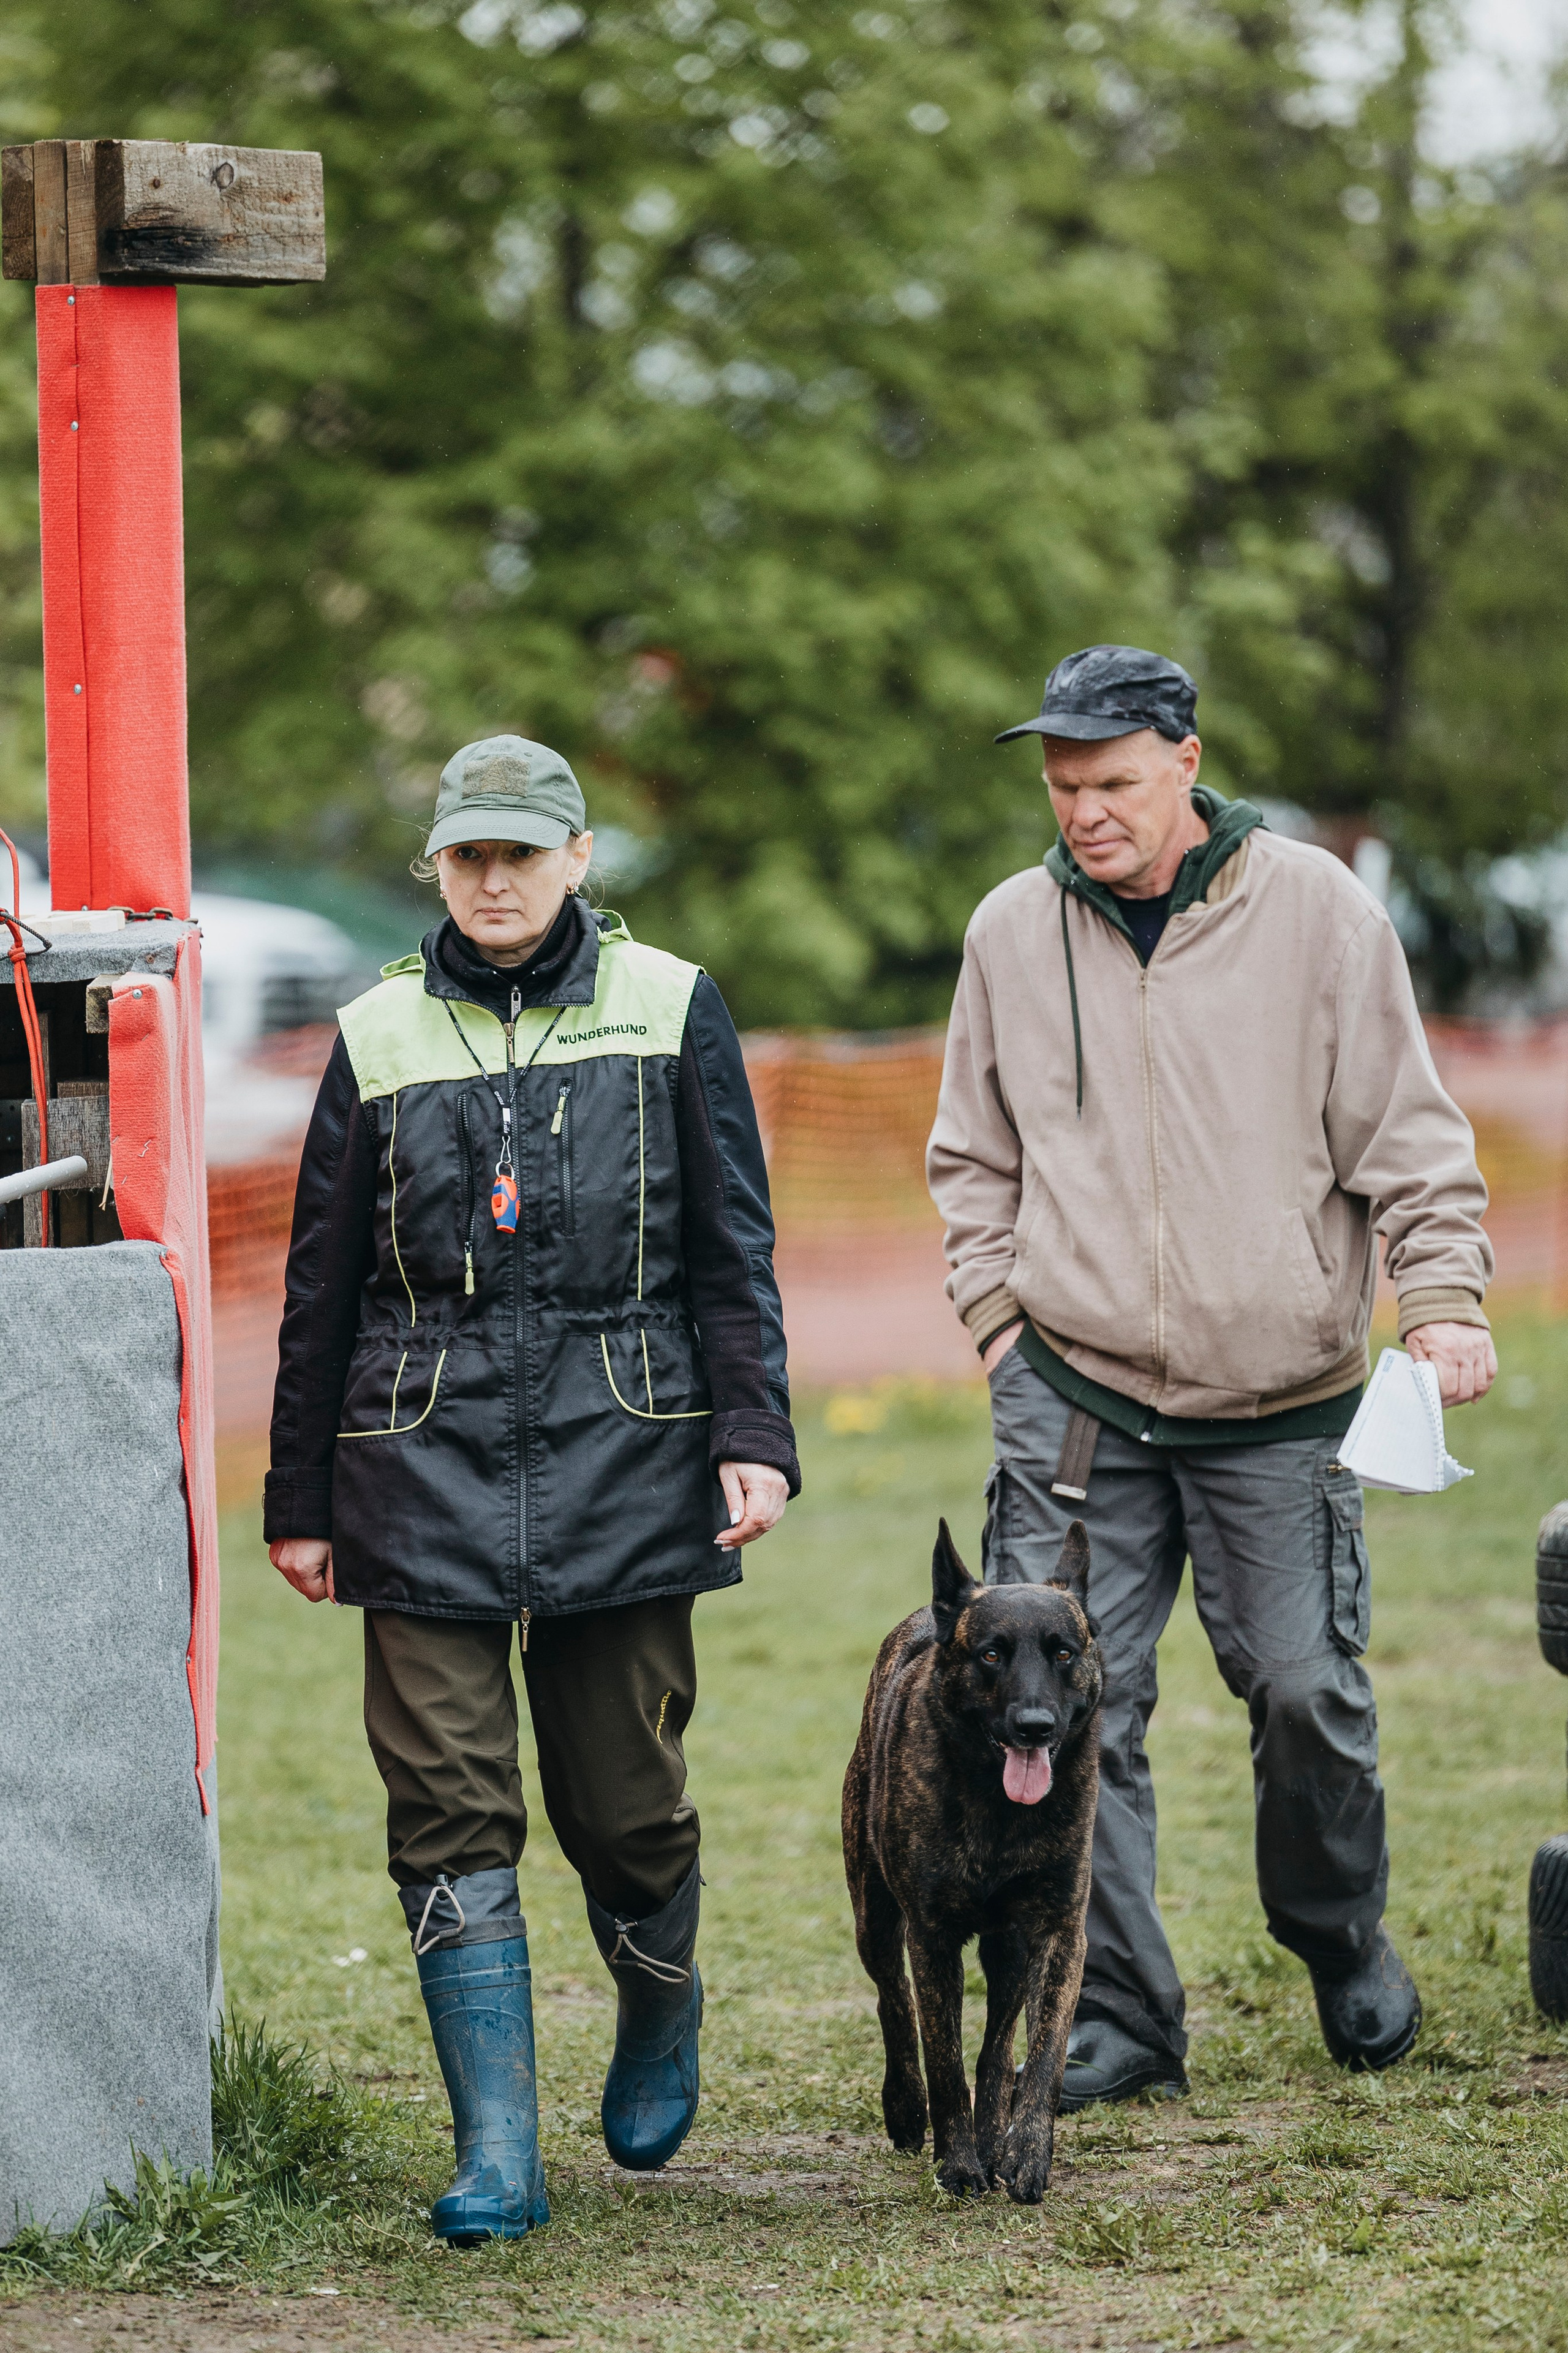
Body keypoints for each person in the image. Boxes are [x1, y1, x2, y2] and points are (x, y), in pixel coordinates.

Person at [927, 646, 1495, 2108]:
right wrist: (998, 1326)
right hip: (1073, 1397)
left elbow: (1408, 1137)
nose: (1084, 812)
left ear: (1185, 761)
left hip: (1282, 1400)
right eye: (1062, 787)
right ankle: (1114, 2007)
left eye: (1112, 782)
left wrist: (1440, 1300)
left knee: (1304, 1690)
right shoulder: (1006, 930)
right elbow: (970, 1156)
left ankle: (1336, 1935)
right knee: (1066, 1712)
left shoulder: (1316, 912)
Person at [265, 735, 798, 2240]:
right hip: (413, 1464)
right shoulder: (375, 1031)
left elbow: (731, 1250)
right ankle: (497, 2153)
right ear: (436, 864)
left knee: (623, 1808)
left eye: (519, 853)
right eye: (467, 855)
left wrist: (753, 1431)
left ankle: (659, 2003)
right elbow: (319, 1287)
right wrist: (299, 1495)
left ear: (578, 858)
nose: (492, 880)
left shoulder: (671, 1004)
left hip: (625, 1454)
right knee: (444, 1801)